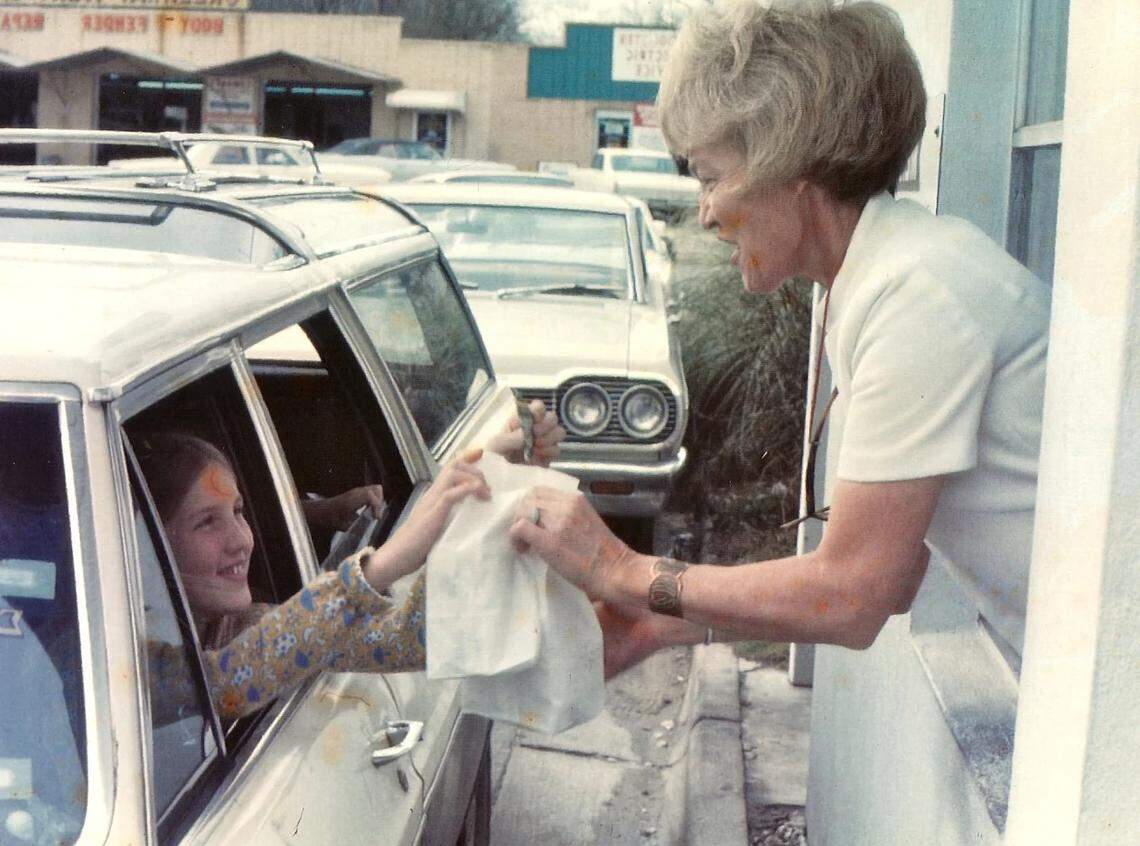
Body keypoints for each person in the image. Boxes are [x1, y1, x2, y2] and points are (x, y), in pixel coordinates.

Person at [509, 0, 1049, 677]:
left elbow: (855, 594)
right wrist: (666, 623)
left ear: (790, 161)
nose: (704, 213)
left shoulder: (919, 291)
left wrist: (620, 568)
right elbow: (893, 571)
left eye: (709, 176)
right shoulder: (887, 271)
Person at [140, 401, 564, 720]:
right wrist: (379, 567)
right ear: (149, 547)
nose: (240, 540)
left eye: (237, 511)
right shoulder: (120, 661)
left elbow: (410, 639)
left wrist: (488, 492)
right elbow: (222, 684)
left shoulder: (243, 627)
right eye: (206, 523)